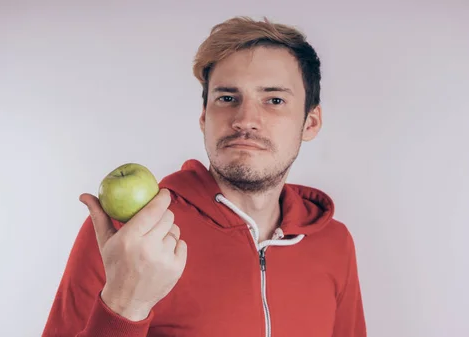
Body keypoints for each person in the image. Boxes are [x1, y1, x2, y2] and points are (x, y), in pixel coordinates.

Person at [42, 16, 366, 337]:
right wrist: (125, 306)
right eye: (227, 98)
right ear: (204, 117)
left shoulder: (333, 243)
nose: (245, 120)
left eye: (274, 100)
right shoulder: (133, 233)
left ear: (310, 123)